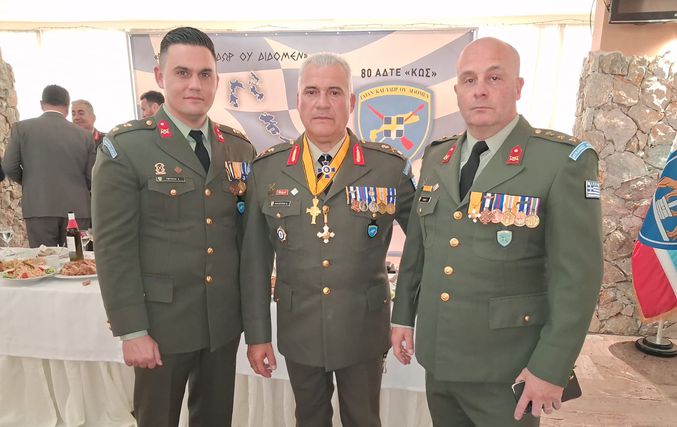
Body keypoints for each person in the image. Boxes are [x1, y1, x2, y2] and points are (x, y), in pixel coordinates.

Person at [390, 37, 603, 426]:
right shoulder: (438, 156)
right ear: (457, 90)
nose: (480, 90)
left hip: (508, 369)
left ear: (518, 87)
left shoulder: (559, 162)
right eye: (469, 80)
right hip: (440, 359)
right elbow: (419, 249)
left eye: (494, 77)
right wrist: (403, 315)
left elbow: (577, 278)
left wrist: (552, 366)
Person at [240, 52, 416, 427]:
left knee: (363, 419)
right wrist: (257, 334)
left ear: (350, 102)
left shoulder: (387, 167)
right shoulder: (268, 169)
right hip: (298, 326)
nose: (322, 103)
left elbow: (423, 244)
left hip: (362, 327)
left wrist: (405, 316)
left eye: (334, 92)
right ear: (298, 101)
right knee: (309, 419)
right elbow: (254, 261)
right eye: (312, 92)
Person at [91, 27, 255, 427]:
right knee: (157, 419)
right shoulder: (127, 148)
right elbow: (113, 248)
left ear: (216, 80)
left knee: (215, 419)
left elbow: (245, 237)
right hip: (161, 324)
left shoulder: (238, 148)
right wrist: (132, 330)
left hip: (222, 321)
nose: (194, 84)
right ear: (160, 76)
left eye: (205, 74)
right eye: (182, 72)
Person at [2, 84, 95, 247]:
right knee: (77, 258)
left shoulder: (22, 129)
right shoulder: (85, 136)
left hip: (39, 206)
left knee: (43, 258)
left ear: (41, 104)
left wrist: (31, 182)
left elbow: (9, 166)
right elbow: (92, 176)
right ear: (67, 107)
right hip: (77, 209)